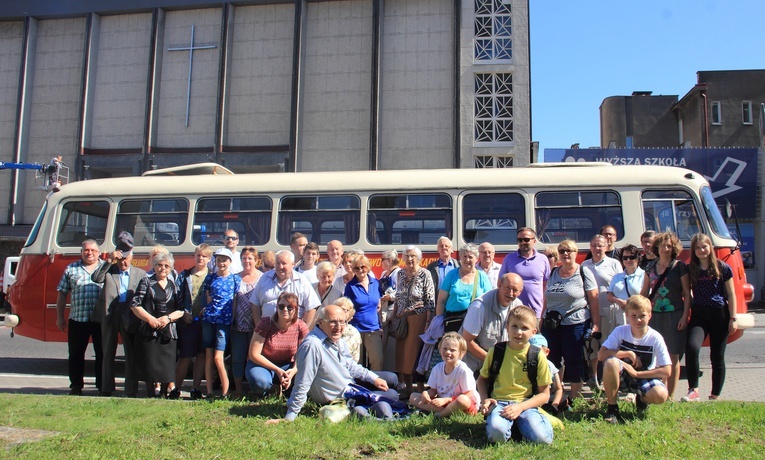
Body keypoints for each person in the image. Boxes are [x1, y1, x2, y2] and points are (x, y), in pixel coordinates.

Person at [267, 304, 397, 423]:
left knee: (392, 379)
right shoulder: (312, 346)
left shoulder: (336, 338)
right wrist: (290, 416)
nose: (339, 327)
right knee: (393, 395)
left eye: (342, 322)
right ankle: (363, 410)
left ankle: (374, 407)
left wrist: (373, 379)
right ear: (320, 323)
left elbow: (350, 365)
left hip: (349, 383)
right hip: (340, 395)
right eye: (333, 322)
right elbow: (303, 382)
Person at [477, 306, 553, 445]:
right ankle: (510, 424)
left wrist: (520, 407)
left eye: (524, 328)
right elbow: (482, 380)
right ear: (507, 327)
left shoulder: (537, 355)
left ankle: (533, 420)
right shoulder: (496, 351)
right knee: (496, 436)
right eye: (514, 326)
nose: (518, 332)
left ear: (533, 332)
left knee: (543, 440)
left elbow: (545, 395)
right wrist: (484, 400)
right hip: (499, 404)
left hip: (525, 404)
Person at [598, 295, 671, 424]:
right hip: (622, 375)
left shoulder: (655, 337)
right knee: (610, 362)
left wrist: (637, 374)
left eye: (642, 316)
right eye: (633, 315)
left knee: (661, 395)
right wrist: (627, 353)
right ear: (626, 315)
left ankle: (642, 400)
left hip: (645, 376)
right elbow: (601, 355)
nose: (638, 320)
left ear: (649, 315)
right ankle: (612, 408)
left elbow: (666, 370)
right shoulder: (620, 331)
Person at [682, 233, 737, 402]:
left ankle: (715, 394)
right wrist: (686, 313)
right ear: (693, 250)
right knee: (691, 348)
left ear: (710, 247)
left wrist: (733, 318)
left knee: (717, 356)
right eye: (697, 248)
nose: (701, 250)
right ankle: (693, 390)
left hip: (719, 314)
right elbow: (688, 294)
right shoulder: (691, 268)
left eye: (704, 246)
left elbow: (731, 294)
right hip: (699, 314)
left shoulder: (723, 267)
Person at [91, 231, 147, 397]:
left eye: (126, 259)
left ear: (132, 256)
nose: (123, 262)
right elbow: (96, 277)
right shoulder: (109, 271)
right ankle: (106, 387)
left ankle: (131, 389)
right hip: (111, 313)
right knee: (108, 351)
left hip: (130, 314)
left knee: (130, 352)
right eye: (121, 259)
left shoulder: (140, 274)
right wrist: (109, 260)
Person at [541, 239, 598, 401]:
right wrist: (541, 318)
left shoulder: (583, 272)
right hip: (551, 324)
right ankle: (557, 392)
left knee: (574, 360)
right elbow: (547, 298)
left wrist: (596, 323)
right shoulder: (553, 272)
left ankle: (575, 396)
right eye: (562, 251)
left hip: (575, 324)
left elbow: (594, 299)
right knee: (552, 360)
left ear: (575, 253)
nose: (566, 254)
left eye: (569, 251)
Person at [640, 231, 690, 400]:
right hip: (654, 316)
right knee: (654, 355)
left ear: (673, 248)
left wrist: (684, 316)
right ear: (657, 247)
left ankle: (670, 396)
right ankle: (655, 391)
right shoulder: (650, 267)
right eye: (662, 245)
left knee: (673, 355)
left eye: (669, 246)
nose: (665, 249)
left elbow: (686, 294)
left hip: (674, 314)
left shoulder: (680, 267)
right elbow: (644, 292)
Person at [130, 252, 183, 397]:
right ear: (154, 266)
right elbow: (135, 305)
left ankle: (165, 393)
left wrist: (168, 318)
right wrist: (150, 319)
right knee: (150, 367)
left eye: (166, 266)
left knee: (166, 367)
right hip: (149, 330)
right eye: (160, 265)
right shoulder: (146, 282)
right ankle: (151, 394)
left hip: (168, 332)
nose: (163, 268)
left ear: (171, 268)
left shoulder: (174, 285)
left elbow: (181, 310)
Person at [56, 239, 104, 396]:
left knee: (102, 353)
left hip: (101, 320)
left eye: (93, 250)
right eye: (86, 250)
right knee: (76, 354)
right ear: (81, 252)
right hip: (78, 318)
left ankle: (102, 385)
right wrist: (60, 317)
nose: (89, 253)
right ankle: (76, 386)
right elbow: (62, 293)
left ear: (99, 253)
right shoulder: (71, 268)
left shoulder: (106, 268)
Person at [245, 292, 309, 396]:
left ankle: (282, 387)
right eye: (281, 306)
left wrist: (294, 370)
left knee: (304, 376)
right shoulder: (266, 323)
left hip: (288, 365)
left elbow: (303, 354)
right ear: (277, 307)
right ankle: (267, 389)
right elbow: (254, 354)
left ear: (296, 309)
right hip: (263, 364)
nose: (285, 309)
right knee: (260, 383)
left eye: (290, 307)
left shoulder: (301, 326)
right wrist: (277, 370)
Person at [393, 245, 436, 396]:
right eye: (407, 256)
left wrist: (428, 322)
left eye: (413, 256)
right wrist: (394, 316)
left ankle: (418, 389)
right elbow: (398, 296)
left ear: (419, 258)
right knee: (402, 353)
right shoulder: (400, 274)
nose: (410, 259)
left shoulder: (425, 274)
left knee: (414, 353)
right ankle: (407, 388)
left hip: (419, 317)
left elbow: (430, 300)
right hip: (401, 318)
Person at [170, 243, 211, 400]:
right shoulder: (185, 275)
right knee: (185, 356)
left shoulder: (212, 276)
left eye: (204, 256)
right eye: (198, 255)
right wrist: (182, 313)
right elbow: (177, 296)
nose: (200, 258)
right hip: (188, 321)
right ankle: (176, 388)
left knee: (201, 356)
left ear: (209, 259)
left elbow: (216, 297)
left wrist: (208, 309)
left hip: (204, 321)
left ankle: (195, 388)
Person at [582, 234, 623, 389]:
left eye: (600, 245)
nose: (597, 248)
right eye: (593, 245)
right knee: (592, 344)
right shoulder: (584, 265)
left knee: (608, 345)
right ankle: (593, 377)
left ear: (606, 247)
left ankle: (609, 378)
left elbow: (619, 285)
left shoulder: (614, 264)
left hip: (609, 311)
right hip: (590, 311)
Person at [461, 273, 524, 372]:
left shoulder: (518, 307)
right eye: (507, 288)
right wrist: (493, 361)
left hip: (502, 367)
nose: (511, 293)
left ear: (520, 292)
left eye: (515, 290)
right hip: (475, 367)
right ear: (499, 284)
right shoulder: (479, 306)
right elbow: (466, 340)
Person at [409, 332, 480, 418]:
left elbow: (469, 394)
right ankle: (449, 412)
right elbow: (433, 391)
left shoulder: (463, 370)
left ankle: (440, 415)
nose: (447, 352)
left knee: (462, 400)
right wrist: (426, 394)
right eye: (445, 349)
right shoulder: (437, 368)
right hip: (443, 402)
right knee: (413, 397)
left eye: (452, 350)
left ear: (461, 353)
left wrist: (447, 400)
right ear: (440, 349)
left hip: (462, 405)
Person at [202, 248, 242, 398]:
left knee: (219, 357)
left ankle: (225, 391)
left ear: (230, 262)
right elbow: (208, 298)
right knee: (208, 356)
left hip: (224, 322)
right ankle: (210, 391)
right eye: (219, 260)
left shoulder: (235, 279)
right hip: (209, 320)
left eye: (224, 260)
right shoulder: (210, 278)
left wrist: (232, 320)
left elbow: (235, 302)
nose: (221, 263)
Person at [249, 250, 321, 326]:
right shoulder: (264, 278)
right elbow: (255, 304)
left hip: (292, 332)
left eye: (284, 263)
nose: (280, 267)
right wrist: (259, 327)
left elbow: (311, 308)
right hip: (267, 330)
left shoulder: (302, 281)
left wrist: (303, 330)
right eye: (278, 263)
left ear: (293, 264)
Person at [437, 243, 492, 334]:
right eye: (464, 256)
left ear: (476, 259)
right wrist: (439, 322)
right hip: (452, 321)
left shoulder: (482, 277)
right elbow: (441, 301)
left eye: (470, 257)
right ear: (460, 258)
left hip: (475, 322)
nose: (467, 260)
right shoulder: (451, 275)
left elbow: (489, 301)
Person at [230, 247, 263, 399]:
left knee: (254, 356)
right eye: (244, 258)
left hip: (257, 326)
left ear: (256, 260)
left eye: (250, 258)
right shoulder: (235, 278)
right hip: (238, 324)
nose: (247, 261)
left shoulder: (263, 278)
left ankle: (253, 389)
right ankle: (238, 390)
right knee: (237, 357)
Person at [498, 227, 550, 319]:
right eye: (519, 240)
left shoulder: (543, 259)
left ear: (534, 241)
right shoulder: (509, 258)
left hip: (536, 312)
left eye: (526, 239)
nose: (522, 242)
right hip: (513, 312)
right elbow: (500, 283)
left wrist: (544, 309)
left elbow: (546, 285)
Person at [345, 255, 383, 370]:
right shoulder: (350, 286)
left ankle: (376, 385)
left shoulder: (375, 283)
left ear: (368, 267)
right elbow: (346, 308)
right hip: (356, 329)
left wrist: (380, 325)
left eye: (362, 267)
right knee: (357, 363)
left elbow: (378, 305)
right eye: (356, 268)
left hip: (373, 328)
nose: (360, 270)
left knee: (377, 360)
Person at [528, 334, 564, 415]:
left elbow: (559, 389)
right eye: (531, 351)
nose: (535, 355)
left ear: (546, 352)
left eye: (538, 351)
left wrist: (555, 405)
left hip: (545, 402)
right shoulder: (524, 365)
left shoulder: (550, 366)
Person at [379, 249, 401, 326]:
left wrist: (389, 297)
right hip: (383, 308)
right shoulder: (383, 273)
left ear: (389, 260)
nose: (381, 262)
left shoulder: (399, 273)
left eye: (382, 259)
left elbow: (401, 291)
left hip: (393, 309)